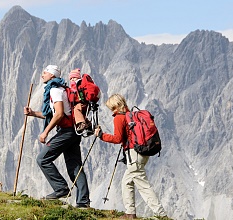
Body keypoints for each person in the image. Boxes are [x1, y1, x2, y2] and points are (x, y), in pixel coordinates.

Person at [24, 64, 90, 208]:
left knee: (42, 159)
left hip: (66, 132)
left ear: (52, 75)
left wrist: (45, 132)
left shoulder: (54, 90)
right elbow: (55, 113)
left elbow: (59, 114)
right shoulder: (62, 89)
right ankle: (83, 202)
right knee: (75, 166)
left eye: (45, 72)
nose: (42, 75)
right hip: (74, 132)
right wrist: (33, 113)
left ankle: (61, 189)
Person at [94, 94, 167, 219]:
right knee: (126, 181)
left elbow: (117, 139)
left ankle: (161, 215)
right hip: (143, 153)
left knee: (143, 185)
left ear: (116, 106)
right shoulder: (130, 116)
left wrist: (101, 135)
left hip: (134, 154)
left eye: (112, 108)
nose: (112, 111)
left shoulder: (119, 118)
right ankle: (130, 213)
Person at [69, 68, 88, 133]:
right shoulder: (77, 85)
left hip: (81, 103)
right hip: (84, 103)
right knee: (81, 115)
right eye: (71, 78)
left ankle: (82, 123)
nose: (72, 79)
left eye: (74, 77)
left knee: (76, 110)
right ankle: (89, 125)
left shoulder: (78, 85)